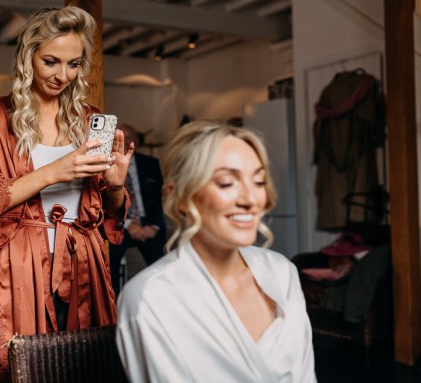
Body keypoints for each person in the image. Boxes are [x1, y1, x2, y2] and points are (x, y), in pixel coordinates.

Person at [0, 6, 133, 383]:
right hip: (21, 259)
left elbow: (110, 217)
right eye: (51, 61)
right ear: (27, 57)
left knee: (89, 361)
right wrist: (57, 170)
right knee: (26, 365)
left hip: (84, 257)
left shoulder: (89, 119)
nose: (62, 75)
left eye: (73, 64)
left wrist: (116, 185)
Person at [116, 120, 316, 382]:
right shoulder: (149, 298)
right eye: (226, 183)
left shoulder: (282, 272)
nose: (250, 199)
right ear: (182, 197)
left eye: (258, 182)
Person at [108, 124, 165, 295]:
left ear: (137, 142)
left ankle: (161, 301)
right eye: (121, 137)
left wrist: (154, 225)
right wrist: (127, 224)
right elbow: (104, 203)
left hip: (147, 223)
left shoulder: (151, 164)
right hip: (118, 223)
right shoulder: (105, 165)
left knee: (162, 262)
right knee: (108, 263)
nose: (125, 142)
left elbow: (159, 198)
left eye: (130, 137)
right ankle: (114, 309)